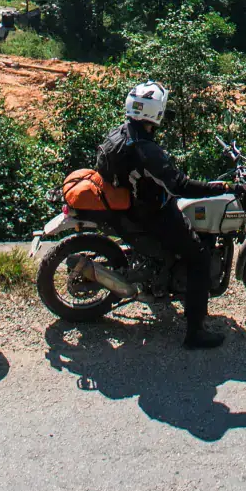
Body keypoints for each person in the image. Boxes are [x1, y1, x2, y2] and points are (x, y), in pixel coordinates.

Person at [95, 80, 231, 349]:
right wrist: (221, 187)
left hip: (134, 204)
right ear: (153, 113)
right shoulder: (147, 151)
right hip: (152, 212)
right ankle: (195, 332)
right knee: (199, 255)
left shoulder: (123, 133)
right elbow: (180, 185)